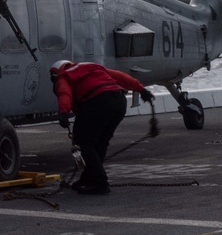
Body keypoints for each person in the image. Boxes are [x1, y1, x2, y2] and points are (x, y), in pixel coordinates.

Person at [50, 60, 154, 195]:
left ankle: (100, 182)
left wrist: (63, 113)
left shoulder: (63, 76)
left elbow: (64, 93)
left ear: (55, 73)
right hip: (118, 101)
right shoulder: (90, 66)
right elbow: (121, 76)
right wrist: (141, 89)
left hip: (98, 101)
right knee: (100, 143)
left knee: (84, 143)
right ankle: (88, 178)